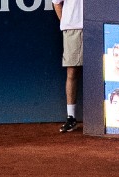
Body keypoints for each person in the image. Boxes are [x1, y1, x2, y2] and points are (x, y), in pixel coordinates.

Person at [53, 0, 83, 133]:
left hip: (98, 26)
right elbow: (56, 2)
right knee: (72, 72)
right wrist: (66, 23)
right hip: (73, 29)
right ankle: (71, 117)